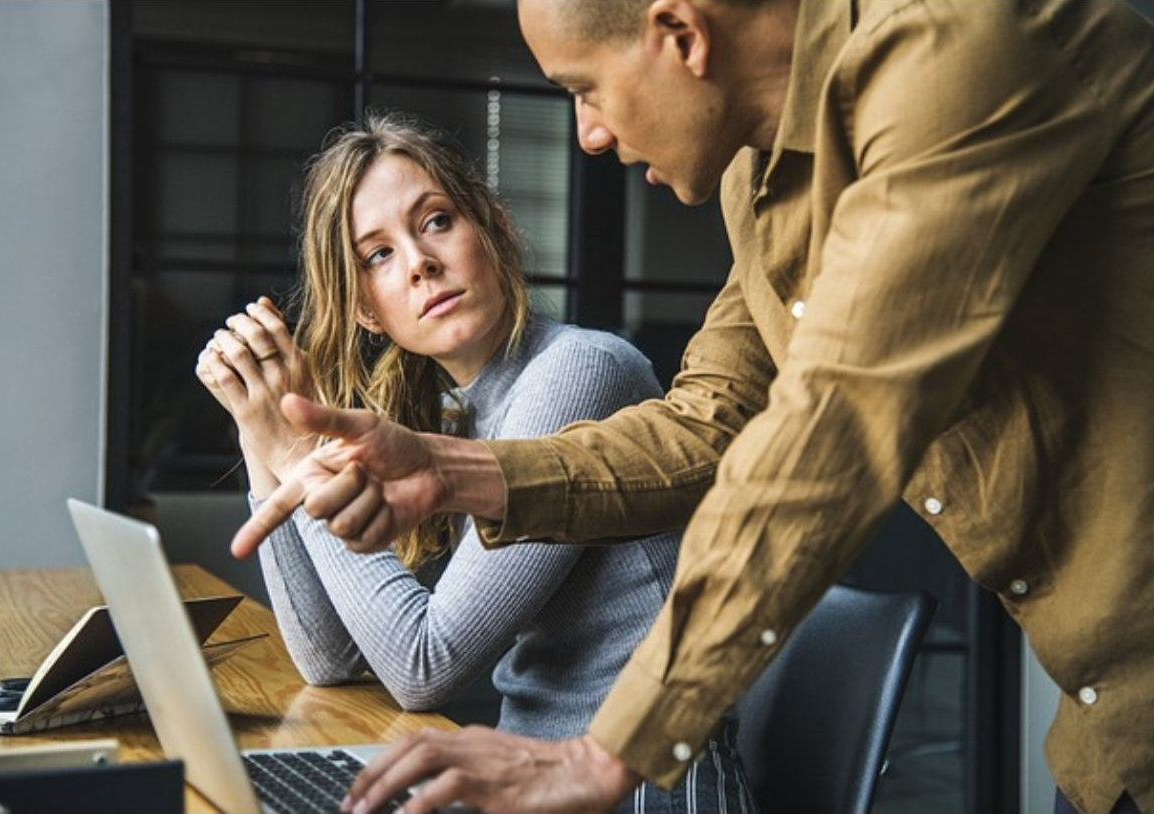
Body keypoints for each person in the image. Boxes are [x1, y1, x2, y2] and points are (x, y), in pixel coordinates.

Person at [235, 1, 1154, 813]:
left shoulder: (958, 54)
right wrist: (445, 470)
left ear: (679, 35)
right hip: (1108, 732)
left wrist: (608, 754)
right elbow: (706, 425)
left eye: (585, 87)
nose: (588, 132)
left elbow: (831, 429)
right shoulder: (761, 183)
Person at [196, 112, 754, 814]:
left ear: (495, 228)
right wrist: (262, 439)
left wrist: (299, 456)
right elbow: (329, 661)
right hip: (527, 784)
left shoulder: (580, 372)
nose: (420, 263)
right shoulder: (455, 412)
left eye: (434, 222)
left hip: (642, 791)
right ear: (368, 311)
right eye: (378, 256)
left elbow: (421, 665)